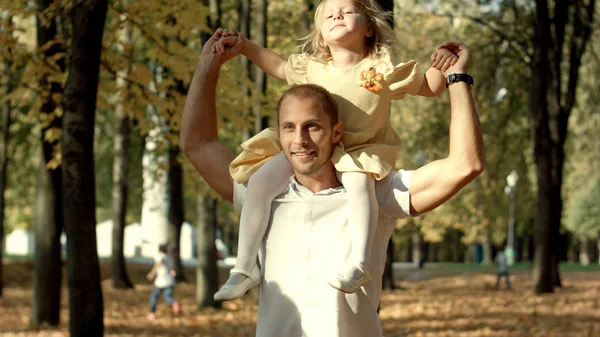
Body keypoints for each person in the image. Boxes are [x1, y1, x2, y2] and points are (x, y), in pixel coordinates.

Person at [179, 28, 483, 337]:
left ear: (336, 132)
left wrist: (456, 79)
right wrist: (209, 62)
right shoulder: (262, 192)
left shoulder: (378, 192)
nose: (300, 140)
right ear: (279, 134)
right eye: (289, 128)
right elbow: (197, 144)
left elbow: (465, 165)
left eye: (312, 127)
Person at [211, 0, 459, 301]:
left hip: (358, 151)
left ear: (369, 28)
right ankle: (244, 267)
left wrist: (446, 61)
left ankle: (359, 262)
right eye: (329, 14)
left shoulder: (380, 70)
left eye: (347, 11)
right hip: (312, 149)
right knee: (260, 181)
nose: (337, 15)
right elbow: (276, 65)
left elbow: (431, 87)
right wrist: (245, 46)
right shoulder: (312, 68)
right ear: (320, 34)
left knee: (358, 185)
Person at [146, 243, 181, 320]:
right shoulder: (170, 258)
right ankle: (174, 303)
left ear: (159, 250)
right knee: (168, 297)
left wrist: (152, 273)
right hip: (170, 280)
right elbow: (173, 270)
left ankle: (152, 313)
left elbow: (159, 262)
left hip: (161, 281)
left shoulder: (160, 256)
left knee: (154, 296)